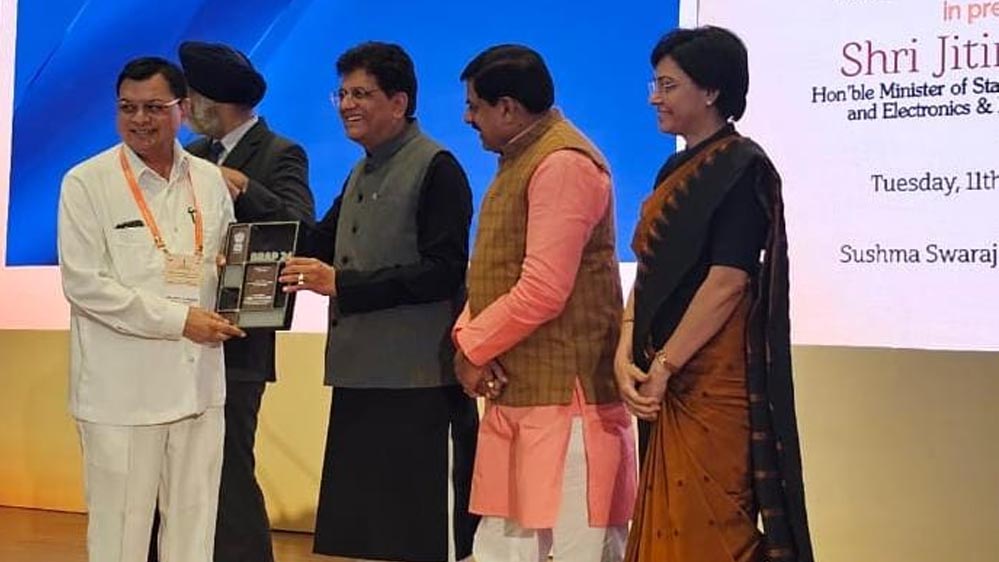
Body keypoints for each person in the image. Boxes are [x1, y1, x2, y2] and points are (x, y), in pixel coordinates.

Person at [615, 26, 814, 562]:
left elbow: (729, 282)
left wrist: (665, 365)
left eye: (668, 85)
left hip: (709, 382)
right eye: (655, 84)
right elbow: (653, 273)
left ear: (711, 91)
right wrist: (623, 349)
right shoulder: (673, 169)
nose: (654, 98)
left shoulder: (740, 168)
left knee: (709, 528)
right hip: (661, 378)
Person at [278, 42, 478, 562]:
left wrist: (343, 285)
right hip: (359, 377)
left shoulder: (437, 167)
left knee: (422, 539)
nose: (347, 105)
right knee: (365, 539)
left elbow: (442, 273)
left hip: (420, 383)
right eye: (342, 94)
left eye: (361, 94)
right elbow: (318, 242)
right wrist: (244, 210)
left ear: (399, 101)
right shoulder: (359, 172)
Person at [453, 44, 637, 562]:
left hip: (569, 406)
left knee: (582, 548)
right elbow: (495, 274)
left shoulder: (563, 164)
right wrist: (469, 343)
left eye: (474, 106)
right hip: (523, 397)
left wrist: (472, 348)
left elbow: (543, 288)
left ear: (507, 108)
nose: (468, 118)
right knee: (503, 548)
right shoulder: (520, 159)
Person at [57, 56, 242, 562]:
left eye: (154, 107)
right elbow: (84, 285)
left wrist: (239, 280)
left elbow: (225, 261)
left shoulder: (209, 180)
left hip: (199, 386)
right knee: (120, 538)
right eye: (128, 107)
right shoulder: (87, 182)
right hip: (123, 394)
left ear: (183, 108)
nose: (140, 119)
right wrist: (181, 321)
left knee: (194, 531)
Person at [176, 40, 315, 562]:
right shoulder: (191, 155)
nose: (185, 108)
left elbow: (302, 229)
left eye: (190, 97)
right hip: (184, 332)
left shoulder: (279, 153)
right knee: (180, 465)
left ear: (212, 102)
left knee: (229, 463)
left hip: (240, 339)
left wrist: (245, 186)